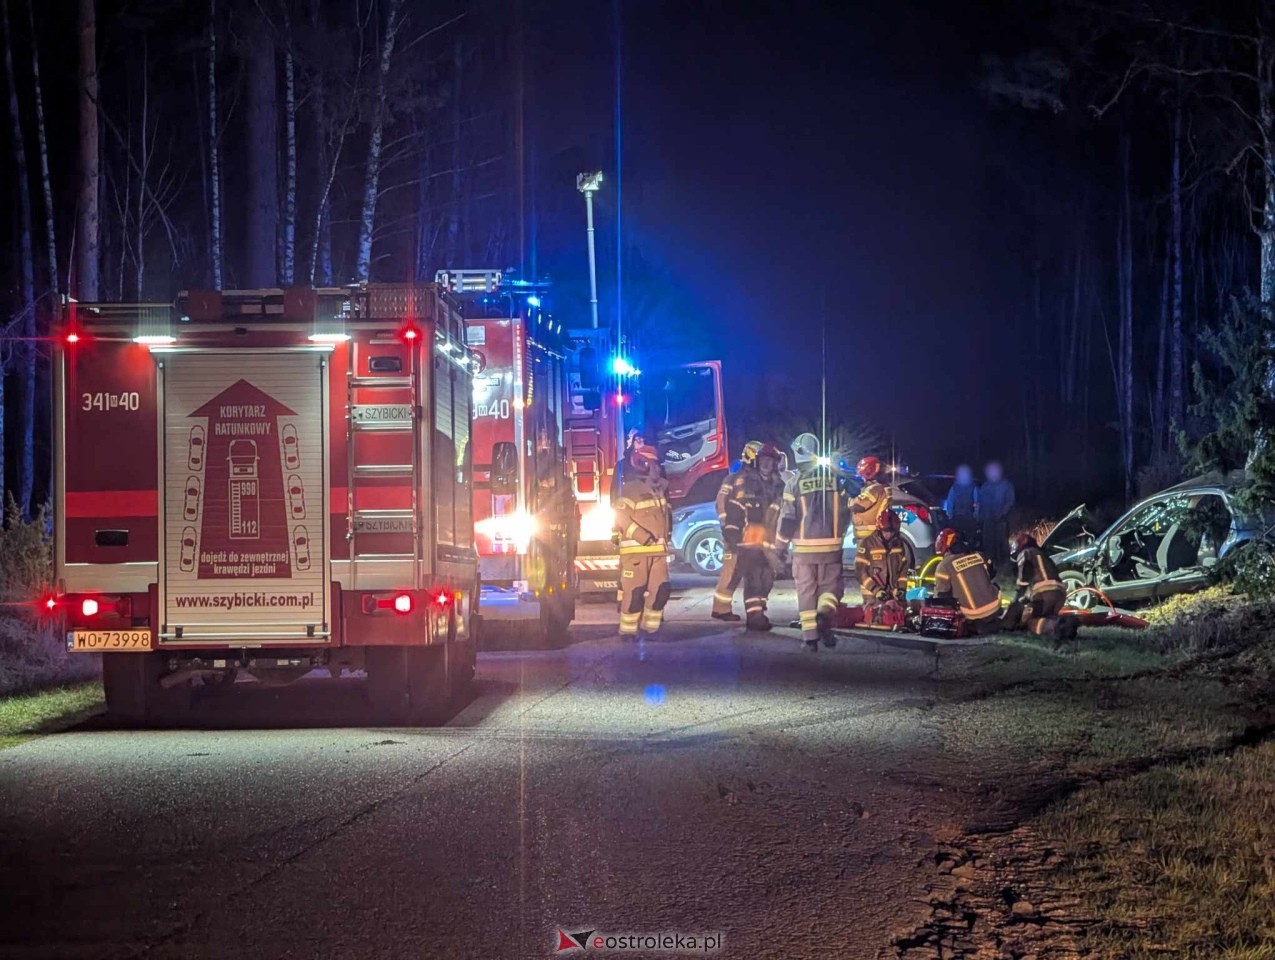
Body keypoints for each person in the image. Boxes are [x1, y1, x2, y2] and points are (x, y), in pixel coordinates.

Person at [777, 432, 854, 651]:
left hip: (803, 550)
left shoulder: (794, 484)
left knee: (806, 593)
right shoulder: (835, 479)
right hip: (832, 549)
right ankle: (825, 616)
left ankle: (810, 639)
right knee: (831, 589)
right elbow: (847, 511)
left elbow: (788, 519)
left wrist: (780, 546)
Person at [712, 441, 786, 630]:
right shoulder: (737, 480)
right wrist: (728, 528)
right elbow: (723, 503)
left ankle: (757, 610)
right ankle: (722, 608)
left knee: (764, 577)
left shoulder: (777, 484)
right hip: (740, 537)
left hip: (765, 538)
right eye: (763, 460)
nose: (767, 464)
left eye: (771, 460)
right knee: (732, 574)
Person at [612, 445, 672, 641]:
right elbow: (621, 518)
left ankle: (650, 629)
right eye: (654, 464)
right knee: (634, 594)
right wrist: (641, 536)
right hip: (636, 553)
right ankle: (628, 632)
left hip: (658, 554)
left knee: (661, 590)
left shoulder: (659, 490)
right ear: (643, 465)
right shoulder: (631, 490)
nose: (658, 468)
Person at [932, 527, 1003, 635]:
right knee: (994, 585)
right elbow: (991, 574)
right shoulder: (978, 555)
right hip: (995, 609)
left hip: (972, 615)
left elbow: (942, 597)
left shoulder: (944, 566)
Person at [1007, 533, 1076, 642]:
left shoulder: (1025, 553)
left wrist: (1015, 603)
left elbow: (1023, 581)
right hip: (1059, 596)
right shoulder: (1042, 555)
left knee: (1028, 621)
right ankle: (1063, 623)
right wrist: (1027, 598)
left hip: (1044, 595)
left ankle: (1056, 628)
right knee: (1045, 615)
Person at [855, 509, 909, 622]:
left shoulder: (898, 544)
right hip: (872, 596)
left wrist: (901, 589)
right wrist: (876, 590)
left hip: (892, 595)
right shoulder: (868, 543)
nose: (889, 535)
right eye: (886, 531)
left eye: (892, 531)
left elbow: (903, 570)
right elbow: (860, 572)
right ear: (879, 529)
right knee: (879, 617)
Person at [980, 461, 1016, 569]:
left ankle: (1005, 563)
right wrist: (980, 515)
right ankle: (990, 564)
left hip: (1001, 519)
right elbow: (980, 501)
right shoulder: (986, 486)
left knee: (1002, 542)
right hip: (988, 519)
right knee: (988, 542)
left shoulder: (1006, 485)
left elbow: (1010, 501)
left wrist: (1003, 513)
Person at [850, 455, 890, 545]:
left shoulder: (874, 489)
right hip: (872, 536)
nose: (861, 479)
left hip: (869, 536)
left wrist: (849, 496)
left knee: (864, 559)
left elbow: (856, 506)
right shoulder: (880, 487)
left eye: (861, 476)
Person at [943, 465, 979, 548]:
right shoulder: (957, 487)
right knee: (963, 540)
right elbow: (950, 502)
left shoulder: (958, 487)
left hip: (965, 517)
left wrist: (950, 515)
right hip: (962, 518)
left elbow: (950, 502)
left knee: (963, 540)